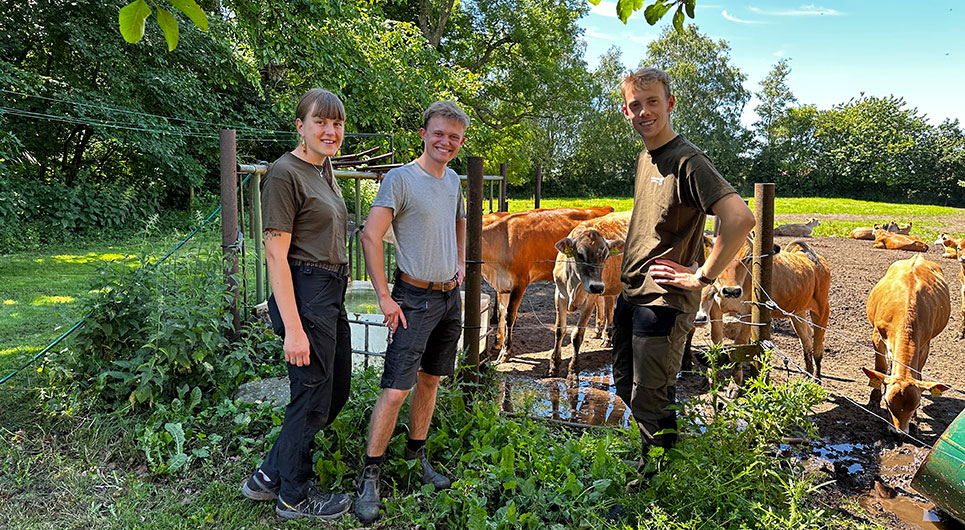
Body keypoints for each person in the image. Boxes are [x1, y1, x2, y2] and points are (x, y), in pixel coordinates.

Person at [614, 67, 755, 488]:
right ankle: (658, 456)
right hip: (632, 292)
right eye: (635, 105)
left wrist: (703, 276)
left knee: (649, 394)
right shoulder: (647, 157)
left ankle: (656, 478)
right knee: (629, 384)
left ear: (670, 103)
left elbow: (740, 218)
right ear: (626, 111)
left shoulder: (687, 160)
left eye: (652, 102)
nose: (643, 112)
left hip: (664, 299)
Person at [240, 88, 353, 520]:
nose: (330, 130)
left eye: (337, 123)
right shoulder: (284, 174)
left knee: (334, 392)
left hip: (330, 292)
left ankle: (268, 476)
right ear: (300, 126)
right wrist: (293, 327)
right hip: (306, 292)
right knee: (309, 397)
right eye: (321, 122)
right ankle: (294, 495)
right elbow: (275, 254)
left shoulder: (323, 170)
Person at [354, 101, 468, 524]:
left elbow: (458, 221)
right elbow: (370, 236)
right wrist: (385, 297)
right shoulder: (400, 179)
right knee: (397, 388)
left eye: (454, 137)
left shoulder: (454, 180)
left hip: (447, 297)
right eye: (439, 133)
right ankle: (370, 476)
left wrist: (458, 261)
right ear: (423, 134)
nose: (446, 142)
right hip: (413, 297)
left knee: (431, 379)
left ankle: (417, 456)